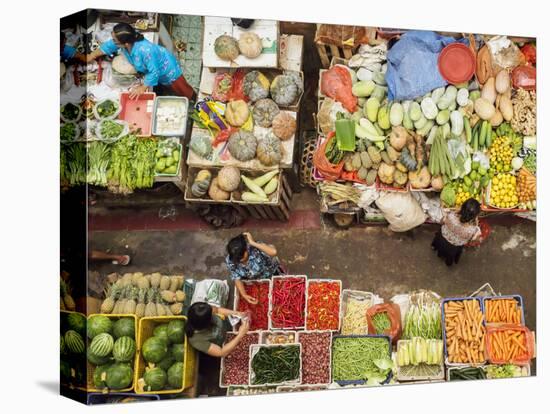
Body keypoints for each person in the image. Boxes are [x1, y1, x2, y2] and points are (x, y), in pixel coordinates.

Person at [86, 23, 195, 100]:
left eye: (115, 40)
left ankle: (193, 99)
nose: (113, 41)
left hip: (167, 69)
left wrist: (142, 88)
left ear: (126, 44)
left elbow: (154, 72)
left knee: (181, 88)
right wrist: (92, 55)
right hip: (156, 67)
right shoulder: (128, 40)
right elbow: (110, 45)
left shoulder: (145, 51)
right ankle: (165, 87)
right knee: (164, 84)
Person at [225, 232, 281, 305]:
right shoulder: (230, 260)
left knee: (279, 286)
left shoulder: (255, 249)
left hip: (271, 271)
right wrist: (244, 294)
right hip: (256, 279)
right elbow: (236, 276)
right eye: (237, 259)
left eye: (241, 257)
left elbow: (273, 252)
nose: (240, 260)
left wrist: (253, 243)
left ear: (246, 250)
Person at [432, 198, 482, 266]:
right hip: (454, 247)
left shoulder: (451, 216)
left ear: (462, 208)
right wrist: (476, 224)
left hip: (442, 238)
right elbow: (475, 240)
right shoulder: (473, 230)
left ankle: (435, 248)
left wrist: (455, 212)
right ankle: (448, 263)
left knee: (440, 246)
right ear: (475, 217)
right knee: (450, 255)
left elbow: (442, 221)